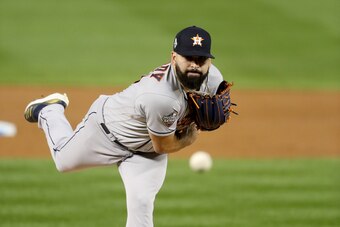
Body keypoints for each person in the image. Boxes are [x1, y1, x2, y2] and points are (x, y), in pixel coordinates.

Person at [24, 25, 225, 227]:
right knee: (63, 161)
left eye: (201, 59)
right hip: (106, 132)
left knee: (142, 204)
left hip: (145, 153)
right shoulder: (160, 97)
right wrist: (187, 140)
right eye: (188, 58)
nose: (195, 65)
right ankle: (49, 110)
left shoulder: (213, 78)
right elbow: (163, 146)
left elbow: (219, 104)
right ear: (174, 58)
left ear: (209, 61)